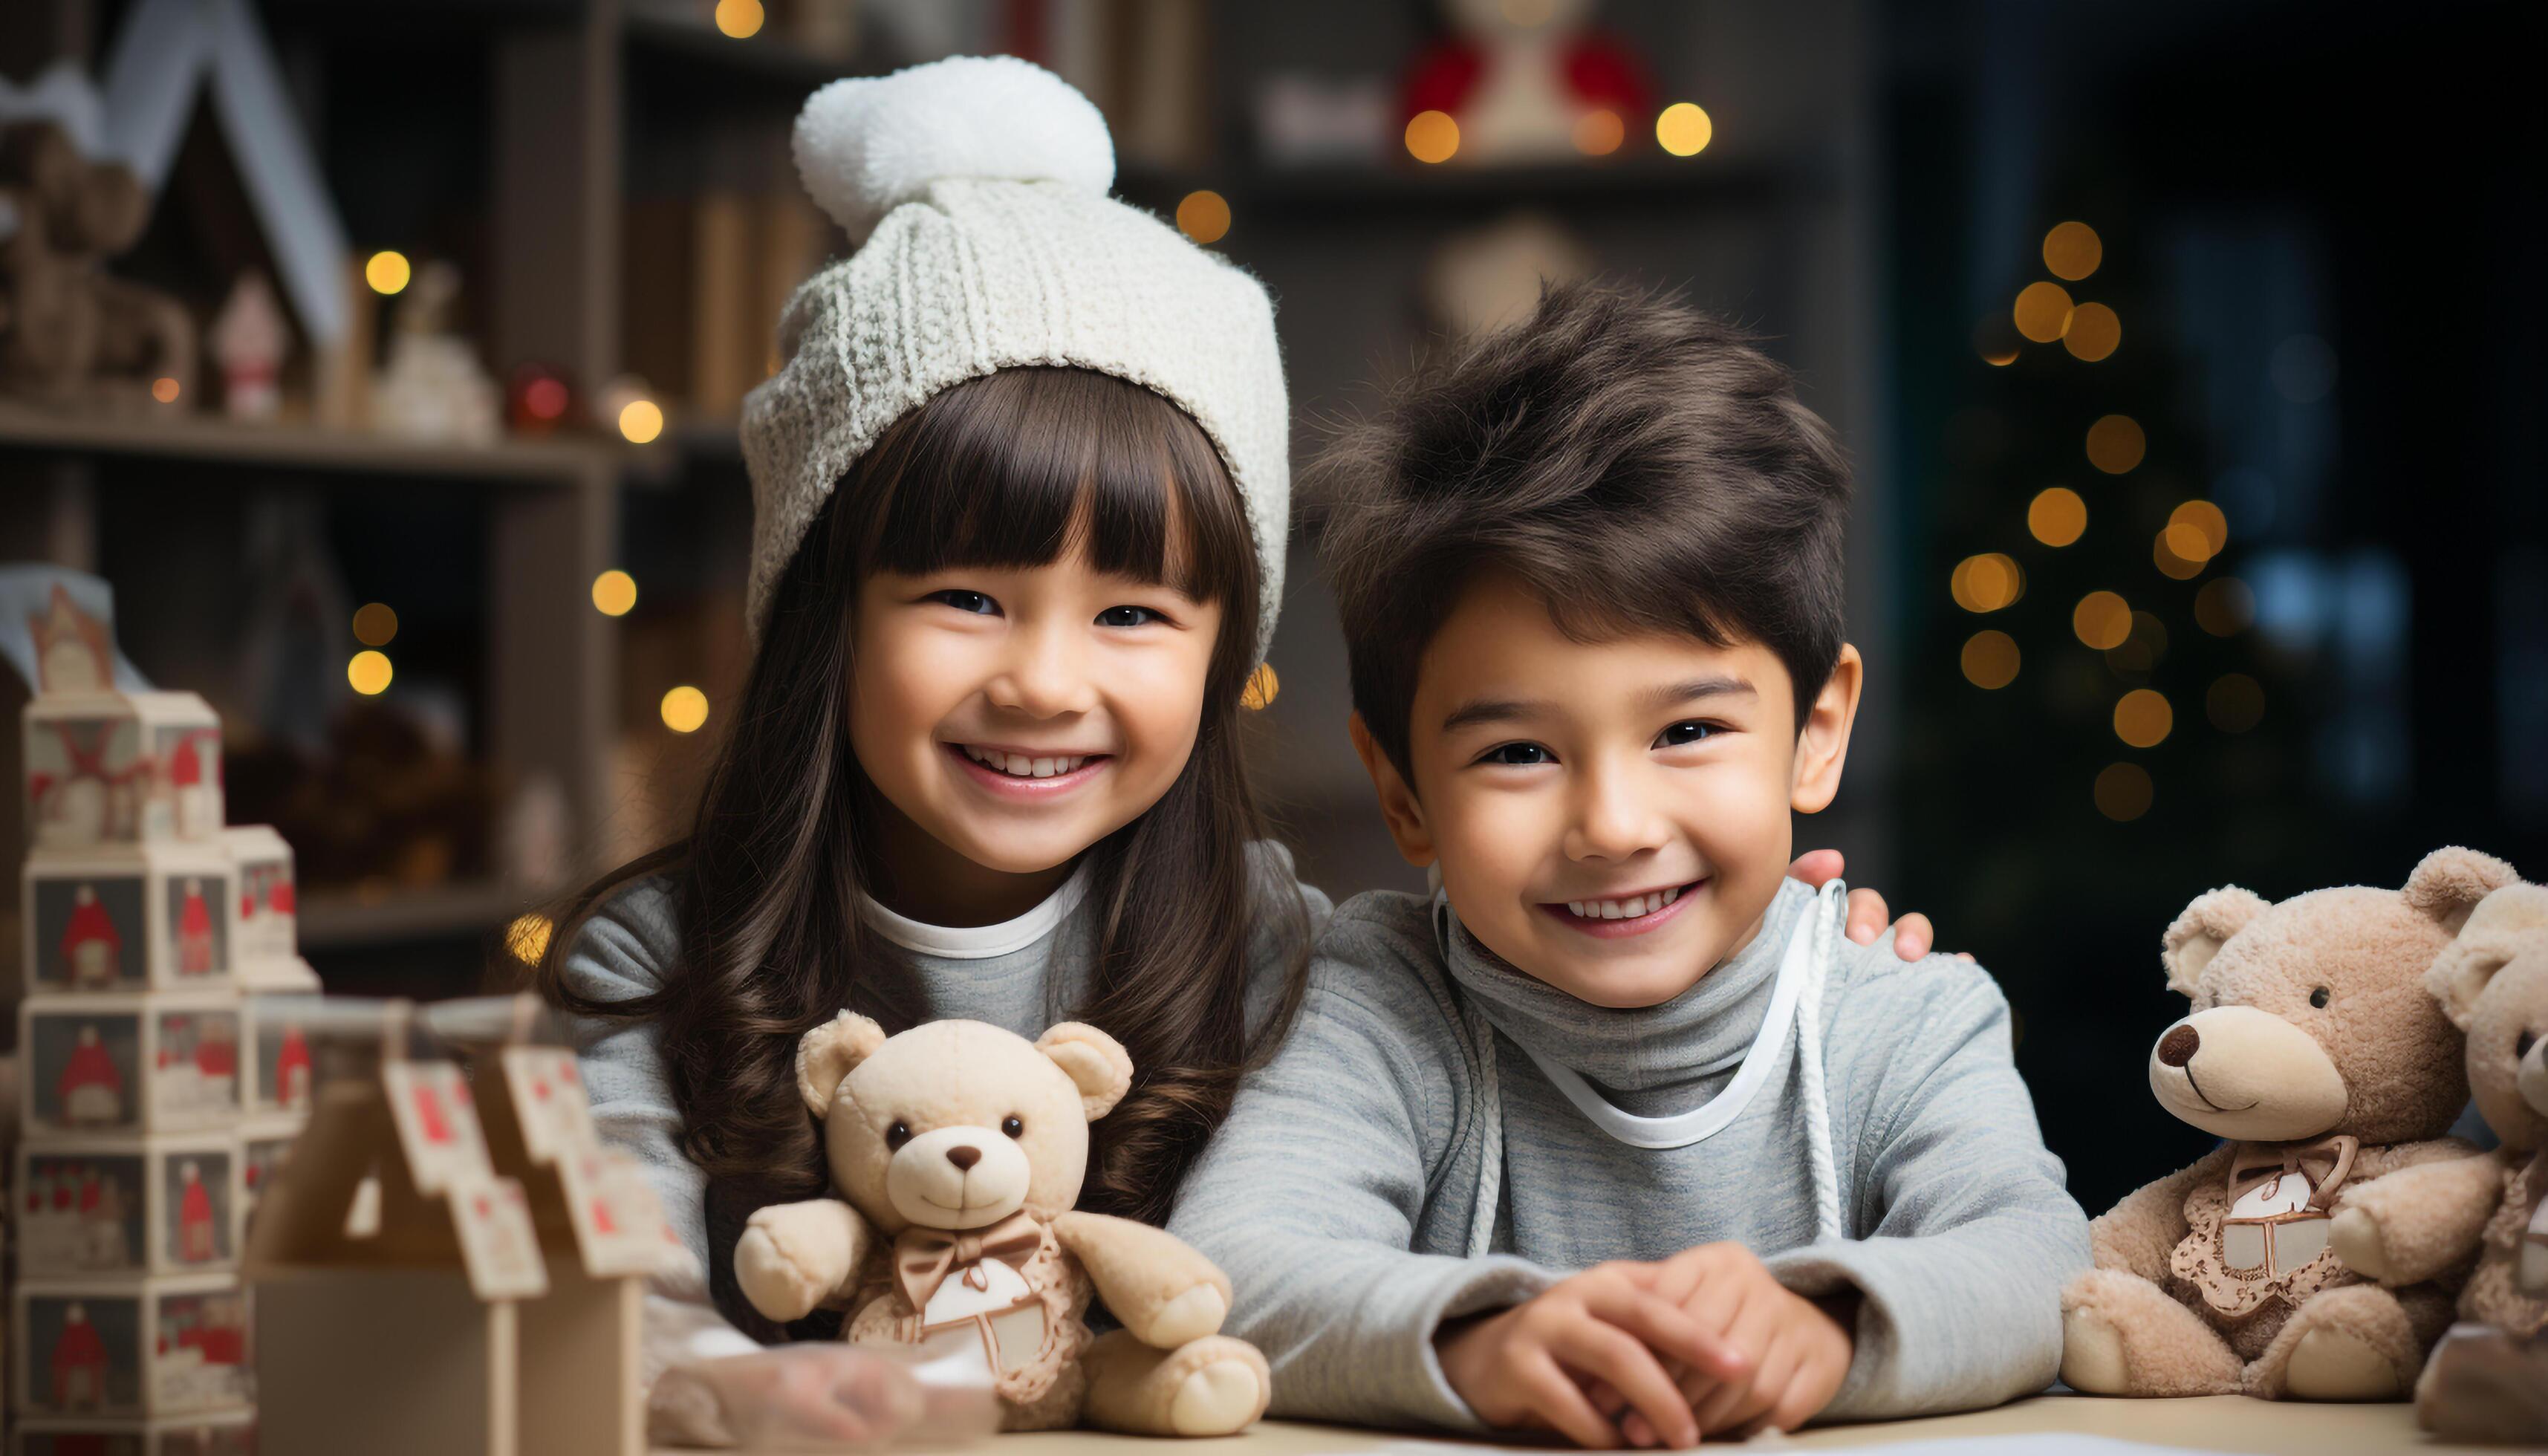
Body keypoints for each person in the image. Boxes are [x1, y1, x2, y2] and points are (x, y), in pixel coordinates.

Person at [545, 59, 1934, 1446]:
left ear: (1224, 654)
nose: (1041, 681)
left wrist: (1777, 964)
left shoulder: (1271, 949)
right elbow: (615, 1290)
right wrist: (716, 1384)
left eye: (1133, 612)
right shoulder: (662, 956)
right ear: (821, 613)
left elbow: (1517, 965)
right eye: (966, 598)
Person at [1170, 283, 2090, 1449]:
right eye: (1516, 752)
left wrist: (1822, 1328)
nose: (1611, 824)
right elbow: (1228, 1267)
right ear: (1401, 790)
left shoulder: (1904, 1016)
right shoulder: (1373, 1006)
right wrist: (1481, 1340)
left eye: (1687, 732)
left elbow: (2038, 1264)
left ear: (1815, 731)